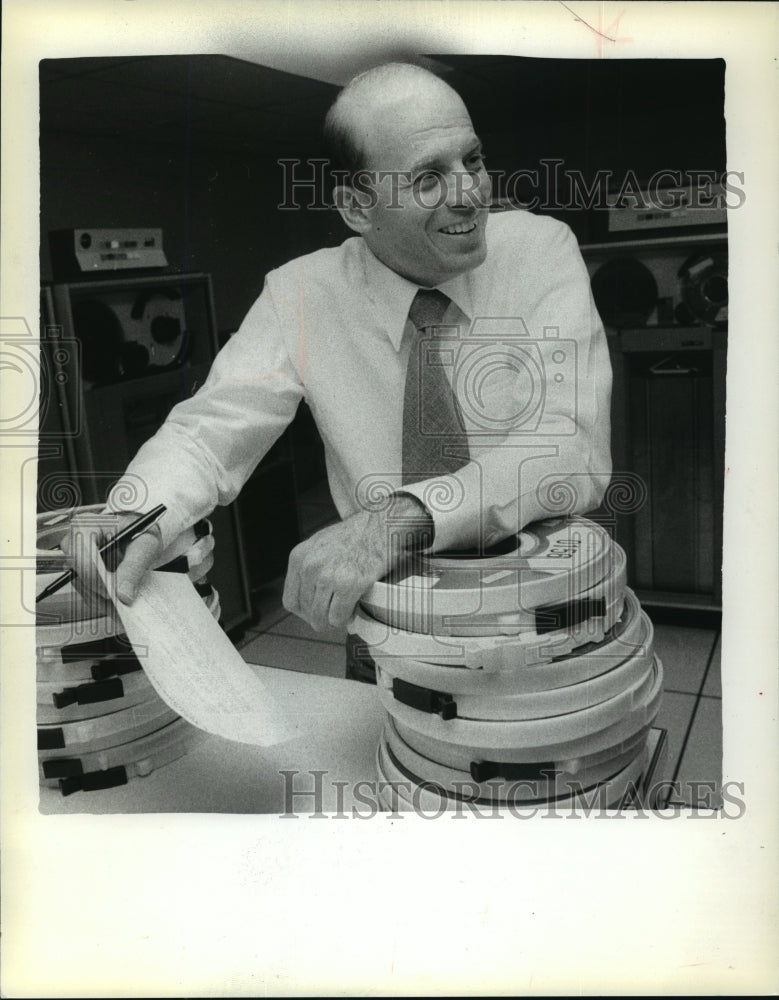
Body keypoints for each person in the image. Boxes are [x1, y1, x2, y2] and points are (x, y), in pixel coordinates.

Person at [65, 62, 612, 651]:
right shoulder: (301, 293)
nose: (470, 193)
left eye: (472, 160)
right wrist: (134, 512)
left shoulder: (540, 250)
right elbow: (209, 431)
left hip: (539, 612)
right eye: (428, 176)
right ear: (357, 208)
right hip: (388, 618)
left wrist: (396, 522)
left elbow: (570, 449)